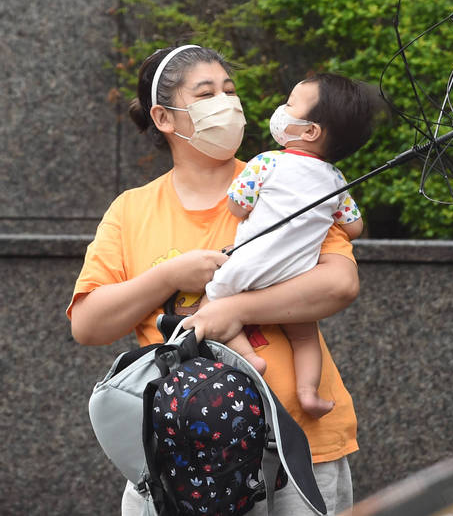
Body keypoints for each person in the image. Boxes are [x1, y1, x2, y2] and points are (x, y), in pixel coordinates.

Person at [68, 44, 359, 515]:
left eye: (230, 90)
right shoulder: (132, 210)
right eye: (206, 93)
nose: (227, 102)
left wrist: (234, 309)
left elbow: (340, 283)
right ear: (164, 117)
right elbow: (87, 324)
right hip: (179, 462)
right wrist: (169, 275)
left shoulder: (287, 181)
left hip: (299, 448)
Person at [204, 72, 378, 419]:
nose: (281, 109)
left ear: (310, 130)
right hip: (298, 277)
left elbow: (237, 206)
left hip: (249, 265)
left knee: (210, 305)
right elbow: (355, 227)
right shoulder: (335, 180)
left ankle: (249, 356)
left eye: (290, 104)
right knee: (304, 335)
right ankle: (308, 393)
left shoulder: (267, 161)